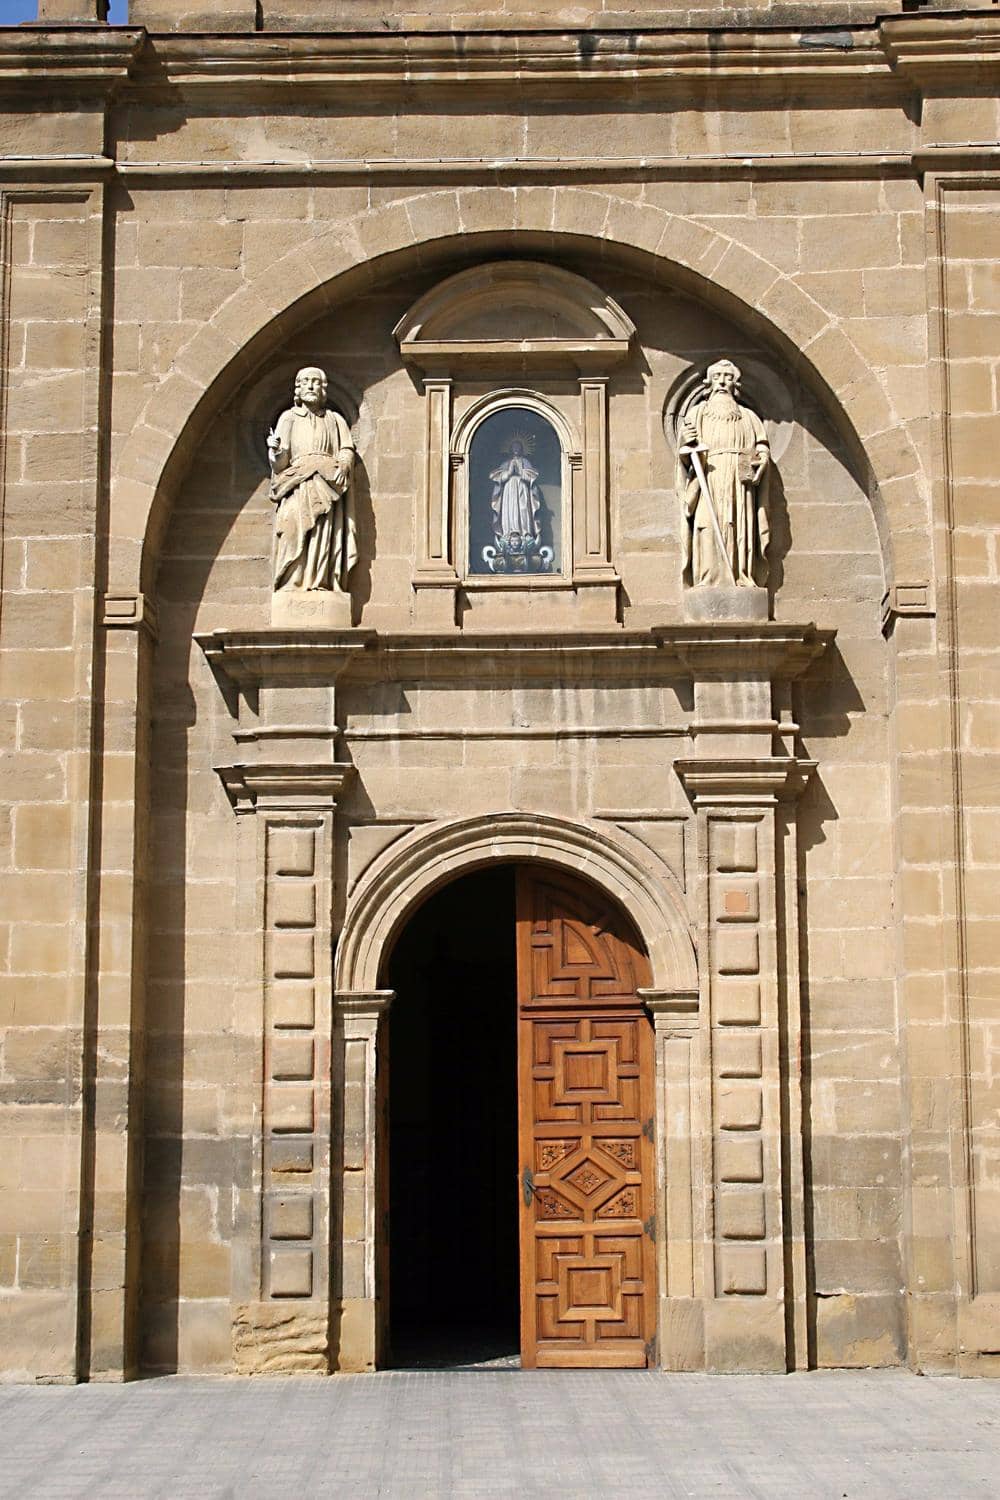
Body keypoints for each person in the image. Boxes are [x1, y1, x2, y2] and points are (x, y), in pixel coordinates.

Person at [677, 359, 770, 589]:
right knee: (706, 527)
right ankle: (708, 578)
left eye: (727, 377)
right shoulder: (699, 413)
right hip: (708, 475)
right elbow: (684, 449)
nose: (721, 382)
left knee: (739, 529)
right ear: (708, 383)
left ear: (735, 383)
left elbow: (762, 446)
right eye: (717, 376)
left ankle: (741, 575)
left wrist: (762, 458)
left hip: (739, 481)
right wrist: (685, 441)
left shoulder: (748, 416)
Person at [267, 367, 356, 592]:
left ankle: (320, 582)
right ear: (298, 387)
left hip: (327, 481)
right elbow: (280, 462)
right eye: (305, 382)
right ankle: (292, 580)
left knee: (323, 532)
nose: (310, 386)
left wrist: (344, 463)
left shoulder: (335, 420)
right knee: (291, 528)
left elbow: (346, 448)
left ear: (323, 389)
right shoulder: (288, 418)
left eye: (316, 382)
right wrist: (275, 451)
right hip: (297, 482)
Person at [490, 437, 543, 548]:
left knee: (523, 510)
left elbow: (532, 478)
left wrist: (520, 472)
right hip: (508, 491)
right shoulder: (505, 463)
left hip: (522, 488)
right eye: (514, 447)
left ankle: (526, 533)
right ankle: (507, 534)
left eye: (518, 447)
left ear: (522, 448)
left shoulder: (526, 462)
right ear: (509, 448)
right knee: (509, 511)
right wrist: (509, 472)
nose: (516, 449)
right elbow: (497, 478)